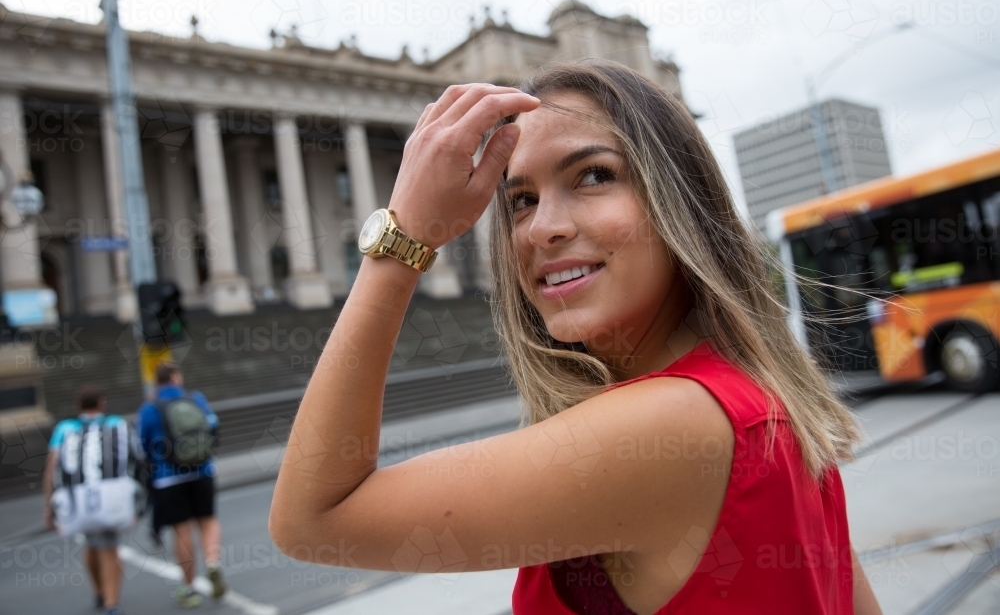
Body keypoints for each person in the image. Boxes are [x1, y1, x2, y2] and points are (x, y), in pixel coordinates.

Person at [268, 60, 882, 614]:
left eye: (592, 175)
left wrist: (403, 240)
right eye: (521, 200)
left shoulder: (672, 426)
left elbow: (314, 519)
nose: (544, 229)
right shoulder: (761, 408)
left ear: (682, 203)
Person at [44, 385, 141, 615]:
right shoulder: (117, 424)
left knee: (91, 543)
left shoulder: (64, 428)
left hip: (76, 498)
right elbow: (137, 458)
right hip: (111, 496)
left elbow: (51, 467)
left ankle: (99, 591)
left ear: (78, 406)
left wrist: (48, 504)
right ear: (102, 402)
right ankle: (111, 603)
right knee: (109, 546)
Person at [138, 362, 227, 607]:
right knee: (208, 521)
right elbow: (212, 425)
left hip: (168, 477)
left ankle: (189, 589)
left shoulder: (149, 408)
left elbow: (143, 445)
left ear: (157, 382)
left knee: (182, 529)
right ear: (176, 377)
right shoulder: (195, 398)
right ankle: (212, 563)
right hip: (202, 470)